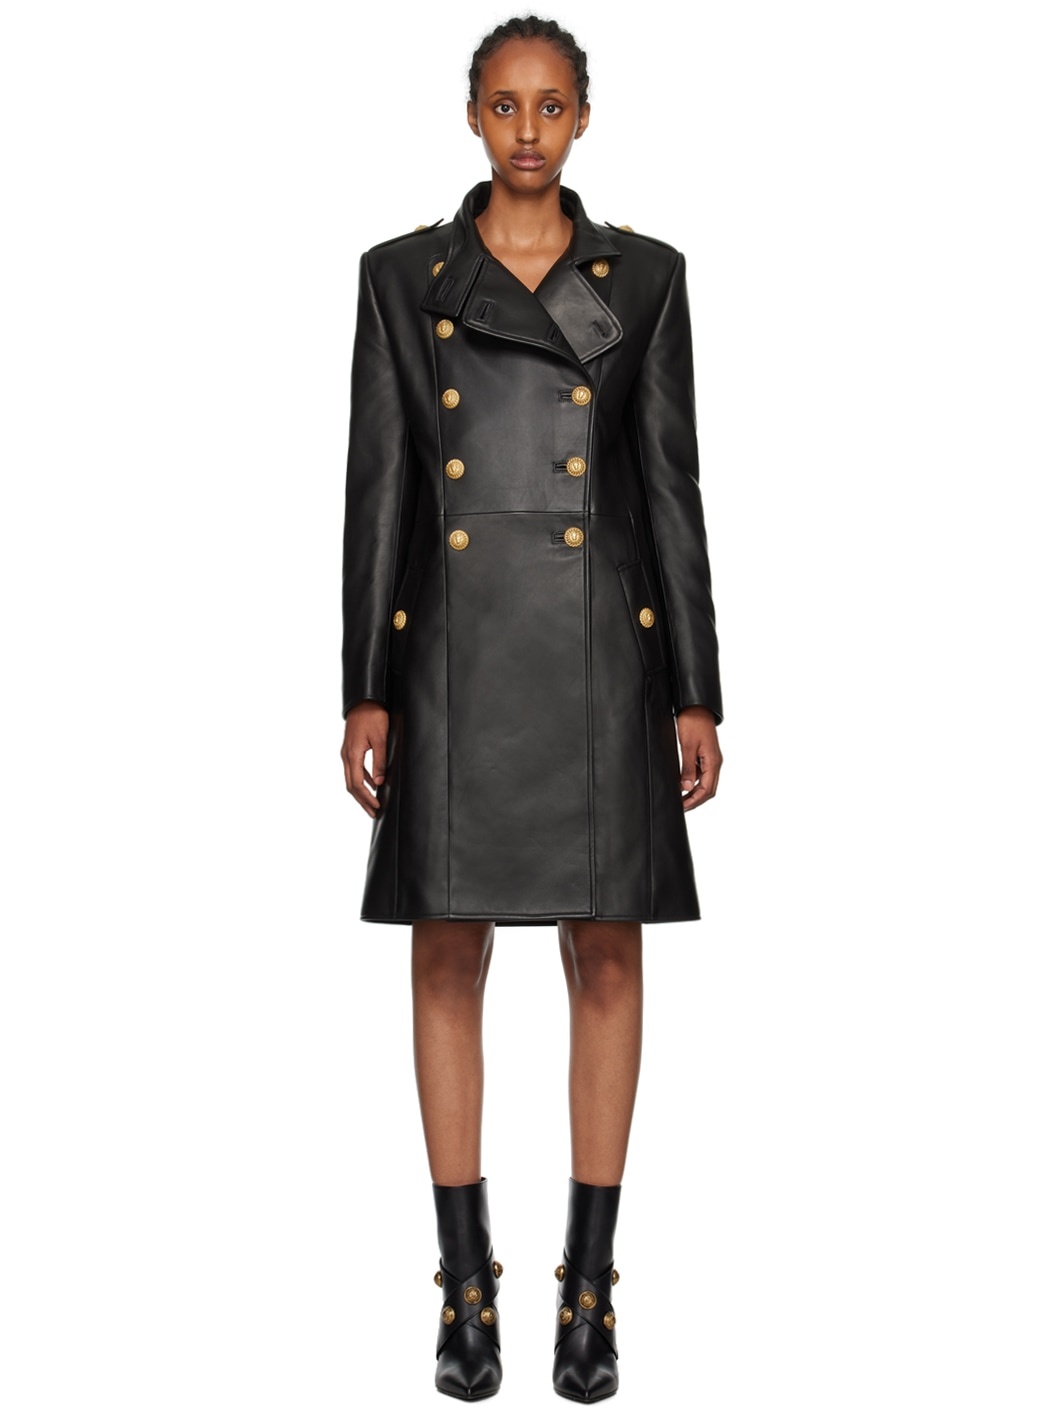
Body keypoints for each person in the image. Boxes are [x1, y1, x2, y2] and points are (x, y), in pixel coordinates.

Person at [339, 14, 723, 1402]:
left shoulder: (649, 278)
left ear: (582, 118)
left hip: (599, 655)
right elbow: (381, 486)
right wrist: (364, 687)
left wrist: (697, 688)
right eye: (504, 106)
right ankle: (464, 1288)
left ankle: (591, 1291)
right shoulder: (402, 278)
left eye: (550, 106)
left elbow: (669, 488)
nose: (526, 131)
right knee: (448, 951)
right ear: (470, 116)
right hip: (453, 650)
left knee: (605, 952)